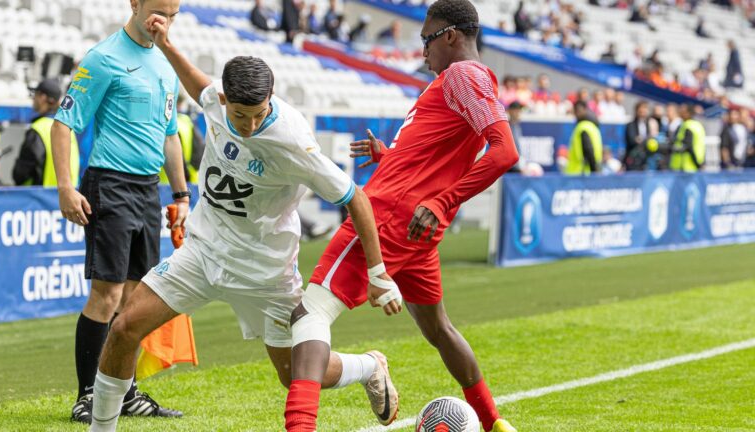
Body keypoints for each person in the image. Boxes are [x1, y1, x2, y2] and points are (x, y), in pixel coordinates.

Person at [88, 14, 399, 432]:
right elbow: (197, 82)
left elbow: (355, 198)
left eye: (259, 114)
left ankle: (368, 366)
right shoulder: (215, 100)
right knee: (125, 327)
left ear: (271, 98)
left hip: (265, 272)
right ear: (225, 100)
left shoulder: (294, 144)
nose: (250, 125)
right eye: (240, 116)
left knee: (294, 376)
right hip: (202, 253)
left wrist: (378, 273)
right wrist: (164, 42)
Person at [283, 1, 519, 431]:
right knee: (439, 329)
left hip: (388, 219)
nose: (423, 52)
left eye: (427, 40)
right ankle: (493, 423)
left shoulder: (462, 75)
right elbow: (438, 159)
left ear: (449, 36)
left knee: (308, 314)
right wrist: (390, 157)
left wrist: (444, 201)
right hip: (417, 228)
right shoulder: (464, 82)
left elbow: (505, 151)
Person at [51, 0, 188, 423]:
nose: (163, 20)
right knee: (106, 295)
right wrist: (65, 187)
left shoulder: (166, 65)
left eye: (173, 13)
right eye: (158, 10)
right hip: (109, 185)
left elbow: (170, 136)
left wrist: (181, 195)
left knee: (135, 300)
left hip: (148, 191)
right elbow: (63, 122)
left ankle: (125, 393)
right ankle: (88, 394)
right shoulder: (104, 57)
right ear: (135, 3)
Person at [13, 78, 80, 187]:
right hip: (65, 198)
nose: (33, 98)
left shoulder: (38, 129)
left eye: (36, 94)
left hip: (39, 199)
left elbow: (21, 174)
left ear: (43, 97)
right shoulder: (68, 128)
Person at [158, 96, 204, 184]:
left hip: (166, 183)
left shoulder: (163, 124)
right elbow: (200, 151)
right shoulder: (187, 121)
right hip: (187, 182)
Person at [564, 100, 602, 175]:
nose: (576, 114)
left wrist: (593, 171)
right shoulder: (593, 127)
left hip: (581, 173)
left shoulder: (583, 127)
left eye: (578, 111)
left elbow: (588, 150)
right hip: (587, 172)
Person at [669, 104, 706, 172]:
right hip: (695, 165)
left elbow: (688, 146)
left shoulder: (688, 126)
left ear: (688, 113)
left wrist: (697, 164)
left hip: (687, 167)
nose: (680, 112)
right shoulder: (697, 125)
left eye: (682, 111)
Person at [623, 100, 658, 171]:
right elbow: (632, 140)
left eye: (645, 108)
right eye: (641, 108)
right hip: (634, 160)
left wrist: (642, 139)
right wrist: (646, 140)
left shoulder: (651, 123)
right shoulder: (630, 125)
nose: (643, 111)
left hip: (648, 160)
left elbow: (654, 138)